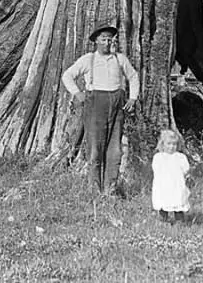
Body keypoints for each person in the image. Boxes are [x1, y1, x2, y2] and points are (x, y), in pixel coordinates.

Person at [61, 23, 139, 194]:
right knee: (95, 149)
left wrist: (133, 97)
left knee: (115, 150)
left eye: (110, 39)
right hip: (95, 105)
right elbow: (67, 76)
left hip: (117, 106)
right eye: (103, 39)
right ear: (96, 41)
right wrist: (77, 93)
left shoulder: (120, 59)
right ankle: (94, 190)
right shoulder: (88, 59)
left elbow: (133, 76)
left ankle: (110, 189)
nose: (107, 42)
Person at [152, 129, 191, 223]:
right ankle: (163, 220)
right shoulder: (159, 157)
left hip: (176, 185)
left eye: (174, 144)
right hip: (163, 185)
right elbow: (156, 170)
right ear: (162, 144)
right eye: (168, 144)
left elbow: (186, 169)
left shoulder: (180, 157)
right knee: (163, 202)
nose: (171, 147)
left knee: (178, 202)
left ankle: (179, 221)